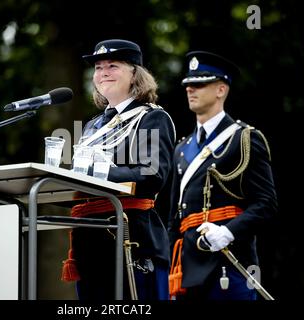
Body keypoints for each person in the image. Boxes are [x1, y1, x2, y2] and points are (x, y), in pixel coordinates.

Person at [61, 39, 176, 301]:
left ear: (135, 73)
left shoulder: (151, 117)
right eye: (98, 68)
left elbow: (152, 175)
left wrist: (94, 172)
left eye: (112, 65)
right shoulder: (92, 126)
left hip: (131, 238)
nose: (103, 73)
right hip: (89, 242)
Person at [167, 51, 277, 300]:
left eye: (199, 84)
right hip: (187, 267)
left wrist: (227, 232)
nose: (190, 90)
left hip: (229, 261)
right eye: (187, 85)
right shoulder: (182, 148)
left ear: (221, 90)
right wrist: (168, 266)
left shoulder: (244, 139)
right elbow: (175, 218)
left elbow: (266, 204)